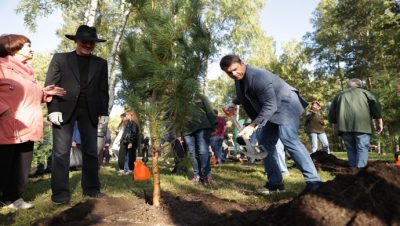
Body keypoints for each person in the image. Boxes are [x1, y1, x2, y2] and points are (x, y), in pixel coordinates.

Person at [220, 54, 322, 193]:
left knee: (289, 139)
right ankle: (275, 184)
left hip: (286, 106)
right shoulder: (239, 79)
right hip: (271, 110)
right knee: (265, 143)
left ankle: (314, 182)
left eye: (235, 69)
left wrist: (252, 126)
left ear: (242, 63)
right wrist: (233, 102)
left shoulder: (259, 76)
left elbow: (270, 105)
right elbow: (244, 94)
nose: (234, 73)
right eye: (229, 72)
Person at [45, 25, 109, 204]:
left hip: (90, 111)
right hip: (64, 109)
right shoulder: (60, 59)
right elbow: (51, 85)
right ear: (75, 41)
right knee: (61, 152)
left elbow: (104, 90)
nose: (88, 45)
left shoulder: (101, 63)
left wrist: (104, 111)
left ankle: (91, 189)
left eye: (92, 43)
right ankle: (60, 193)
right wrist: (53, 109)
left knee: (90, 151)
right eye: (84, 41)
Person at [0, 34, 65, 209]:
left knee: (22, 166)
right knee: (3, 163)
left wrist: (45, 93)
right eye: (27, 45)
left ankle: (12, 198)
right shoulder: (2, 67)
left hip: (28, 126)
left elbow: (29, 96)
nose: (32, 49)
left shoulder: (28, 72)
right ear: (13, 48)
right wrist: (4, 110)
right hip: (7, 126)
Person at [328, 78, 383, 168]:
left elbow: (332, 114)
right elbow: (376, 108)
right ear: (360, 85)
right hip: (362, 127)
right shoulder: (366, 93)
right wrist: (379, 123)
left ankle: (352, 170)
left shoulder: (339, 95)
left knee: (350, 149)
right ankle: (360, 171)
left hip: (344, 127)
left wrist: (335, 127)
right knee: (362, 148)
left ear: (348, 86)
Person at [183, 93, 216, 185]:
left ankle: (207, 176)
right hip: (186, 129)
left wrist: (214, 125)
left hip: (202, 126)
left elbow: (209, 110)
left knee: (203, 150)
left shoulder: (199, 96)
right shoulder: (179, 98)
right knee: (191, 152)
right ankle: (196, 175)